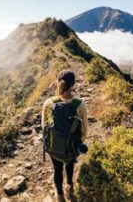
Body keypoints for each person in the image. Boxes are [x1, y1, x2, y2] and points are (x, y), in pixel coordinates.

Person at [42, 69, 88, 201]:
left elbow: (44, 127)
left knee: (57, 170)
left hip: (54, 148)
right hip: (71, 148)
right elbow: (85, 132)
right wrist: (76, 142)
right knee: (69, 164)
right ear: (73, 85)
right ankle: (70, 187)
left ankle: (60, 196)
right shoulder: (80, 105)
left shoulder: (49, 103)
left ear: (58, 83)